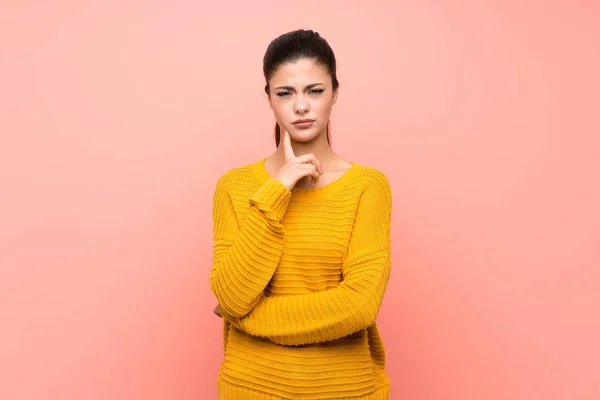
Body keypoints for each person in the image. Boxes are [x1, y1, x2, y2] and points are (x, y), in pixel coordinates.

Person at [209, 29, 392, 399]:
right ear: (269, 100)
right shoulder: (234, 186)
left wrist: (247, 318)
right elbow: (232, 294)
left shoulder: (367, 187)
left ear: (335, 93)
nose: (301, 106)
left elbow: (358, 306)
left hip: (345, 389)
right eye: (285, 93)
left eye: (315, 90)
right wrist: (278, 189)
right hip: (251, 388)